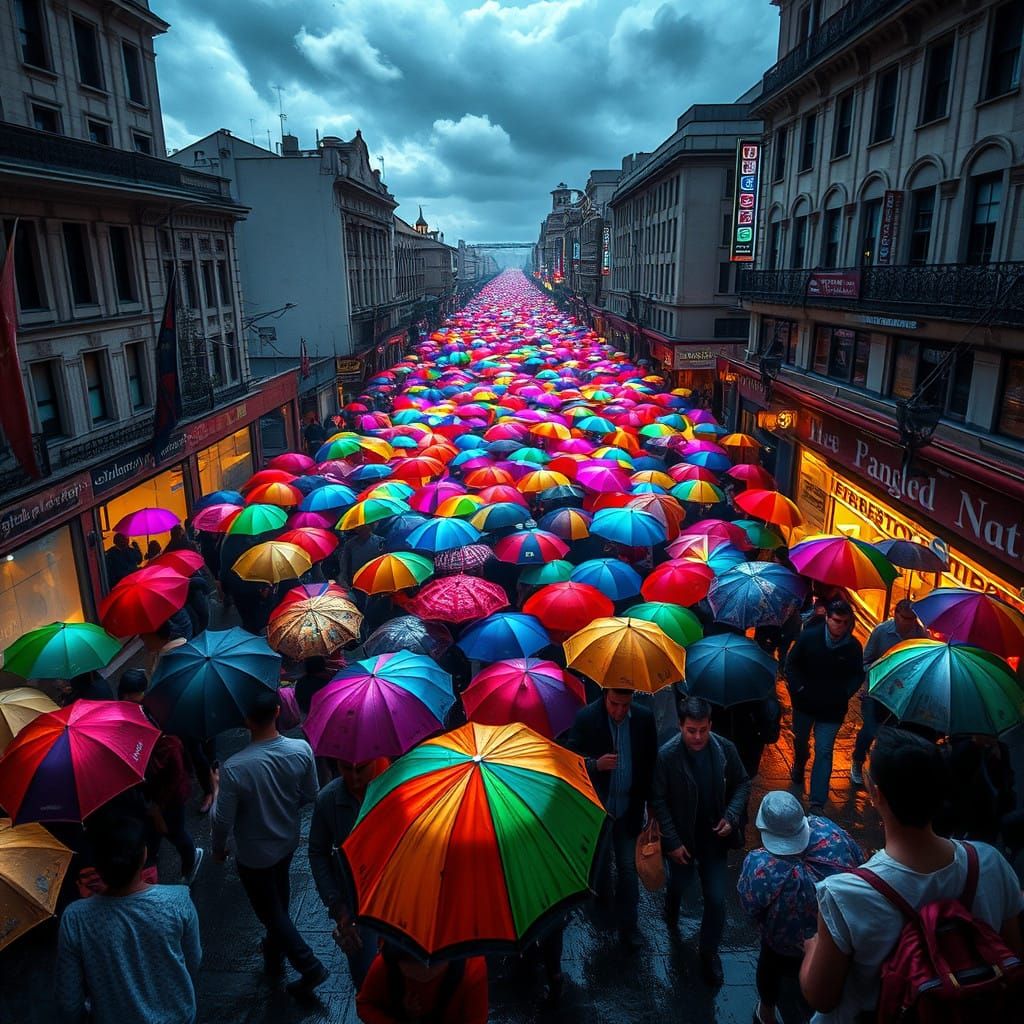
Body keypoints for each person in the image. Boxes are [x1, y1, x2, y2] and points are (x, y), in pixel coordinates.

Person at [800, 727, 1024, 1022]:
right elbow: (1013, 952)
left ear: (875, 794)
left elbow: (822, 998)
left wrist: (812, 948)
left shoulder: (844, 894)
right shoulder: (990, 863)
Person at [212, 689, 327, 997]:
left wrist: (218, 846)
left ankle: (309, 965)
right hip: (287, 840)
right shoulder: (301, 749)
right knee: (279, 897)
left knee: (269, 910)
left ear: (246, 721)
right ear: (278, 711)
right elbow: (311, 793)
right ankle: (274, 952)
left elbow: (222, 819)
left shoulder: (234, 768)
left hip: (253, 852)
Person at [55, 815, 201, 1024]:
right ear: (144, 855)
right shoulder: (178, 901)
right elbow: (192, 962)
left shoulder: (76, 918)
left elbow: (69, 1003)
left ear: (98, 865)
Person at [651, 695, 751, 986]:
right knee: (679, 884)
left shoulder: (725, 750)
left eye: (703, 730)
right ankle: (671, 908)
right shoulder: (667, 757)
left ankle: (708, 954)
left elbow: (743, 783)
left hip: (714, 842)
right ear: (681, 726)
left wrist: (731, 816)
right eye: (691, 730)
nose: (698, 737)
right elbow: (658, 798)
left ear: (710, 725)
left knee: (717, 901)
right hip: (682, 841)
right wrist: (671, 841)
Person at [738, 791, 862, 1024]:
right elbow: (859, 860)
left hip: (781, 944)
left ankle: (766, 1013)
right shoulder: (829, 832)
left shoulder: (761, 865)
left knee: (770, 973)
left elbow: (750, 905)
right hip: (834, 939)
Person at [566, 688, 658, 949]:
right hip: (599, 813)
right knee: (602, 867)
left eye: (625, 705)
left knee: (628, 871)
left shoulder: (643, 719)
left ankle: (629, 926)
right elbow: (569, 759)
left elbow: (650, 763)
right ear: (605, 696)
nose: (619, 711)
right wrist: (595, 764)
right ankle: (603, 914)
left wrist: (652, 806)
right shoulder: (586, 718)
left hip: (629, 809)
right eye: (614, 704)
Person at [308, 758, 388, 989]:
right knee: (366, 982)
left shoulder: (397, 791)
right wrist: (338, 907)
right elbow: (317, 853)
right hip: (357, 909)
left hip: (396, 900)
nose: (354, 777)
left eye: (361, 768)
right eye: (346, 768)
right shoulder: (328, 800)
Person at [118, 669, 203, 885]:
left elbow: (173, 774)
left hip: (168, 794)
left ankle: (190, 861)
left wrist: (157, 807)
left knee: (175, 832)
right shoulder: (126, 717)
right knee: (155, 834)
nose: (134, 706)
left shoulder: (161, 727)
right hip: (150, 793)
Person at [785, 599, 864, 813]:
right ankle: (800, 762)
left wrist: (845, 694)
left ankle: (817, 802)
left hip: (832, 710)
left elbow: (858, 675)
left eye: (845, 622)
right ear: (828, 619)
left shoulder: (853, 647)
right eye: (836, 621)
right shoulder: (810, 638)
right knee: (800, 740)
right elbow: (791, 664)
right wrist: (799, 689)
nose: (840, 626)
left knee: (825, 751)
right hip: (805, 705)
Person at [850, 598, 926, 785]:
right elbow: (865, 661)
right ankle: (858, 761)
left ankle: (878, 768)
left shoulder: (921, 636)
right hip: (874, 692)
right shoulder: (881, 632)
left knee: (890, 734)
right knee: (869, 730)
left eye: (912, 619)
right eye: (905, 618)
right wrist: (883, 670)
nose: (908, 623)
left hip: (900, 697)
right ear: (895, 615)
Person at [356, 944, 488, 1024]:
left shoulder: (472, 969)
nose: (423, 976)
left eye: (432, 966)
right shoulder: (385, 964)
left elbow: (476, 1020)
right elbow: (365, 1004)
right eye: (410, 966)